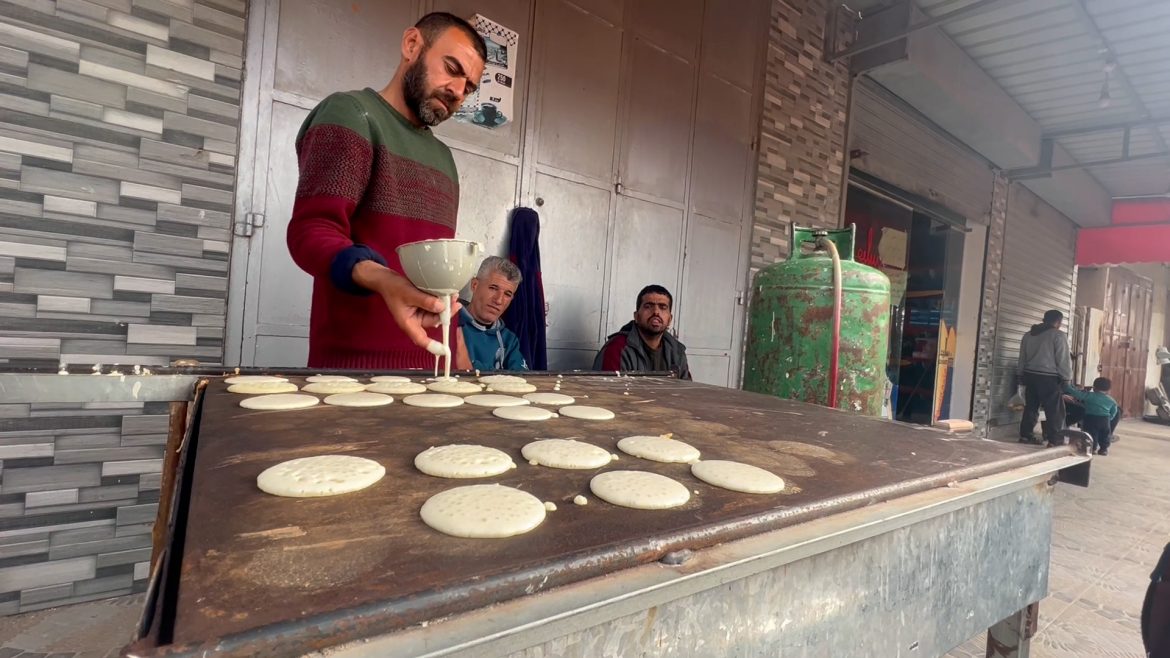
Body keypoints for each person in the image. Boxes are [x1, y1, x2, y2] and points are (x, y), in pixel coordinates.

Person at [286, 13, 487, 369]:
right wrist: (384, 279)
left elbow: (441, 276)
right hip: (355, 370)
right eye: (452, 68)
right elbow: (311, 230)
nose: (458, 91)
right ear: (412, 45)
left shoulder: (444, 159)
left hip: (437, 369)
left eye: (469, 87)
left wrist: (457, 347)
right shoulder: (352, 114)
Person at [593, 285, 691, 380]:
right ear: (636, 316)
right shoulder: (617, 348)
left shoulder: (677, 352)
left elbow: (687, 392)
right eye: (648, 306)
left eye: (663, 307)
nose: (656, 312)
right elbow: (609, 393)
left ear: (669, 319)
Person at [456, 256, 528, 371]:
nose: (499, 300)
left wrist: (472, 366)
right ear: (474, 285)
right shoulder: (446, 324)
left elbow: (522, 381)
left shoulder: (509, 340)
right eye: (493, 288)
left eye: (507, 294)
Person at [1018, 309, 1072, 446]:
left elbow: (1022, 357)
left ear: (1044, 319)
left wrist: (1020, 375)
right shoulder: (1058, 335)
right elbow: (1063, 359)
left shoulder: (1028, 335)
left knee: (1031, 407)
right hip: (1048, 378)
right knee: (1054, 410)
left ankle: (1025, 436)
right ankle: (1055, 440)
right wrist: (1066, 378)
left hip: (1029, 375)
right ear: (1059, 322)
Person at [1063, 378, 1121, 455]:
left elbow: (1078, 394)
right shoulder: (1111, 400)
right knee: (1105, 435)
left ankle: (1092, 448)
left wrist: (1068, 387)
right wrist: (1110, 418)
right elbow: (1114, 410)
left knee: (1091, 434)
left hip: (1090, 418)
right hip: (1104, 420)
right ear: (1108, 390)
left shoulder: (1090, 396)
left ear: (1094, 388)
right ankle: (1104, 449)